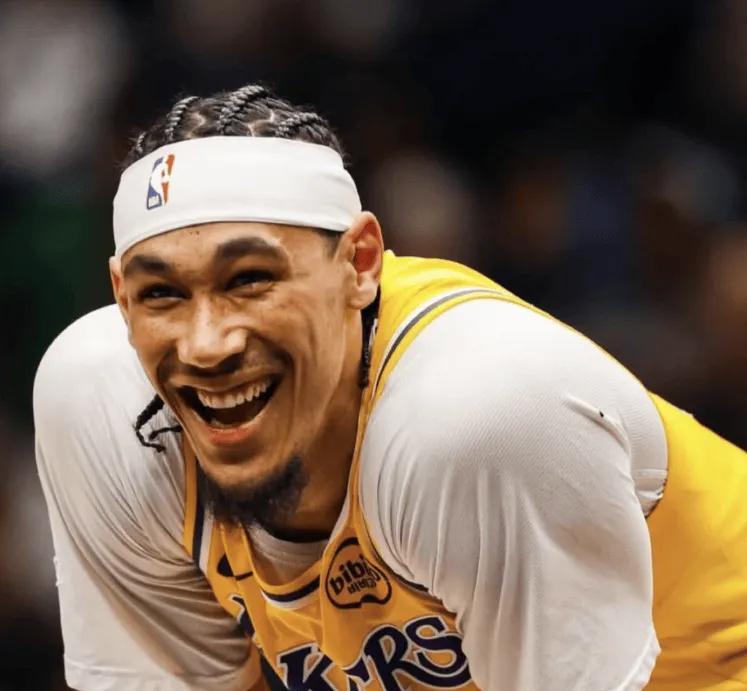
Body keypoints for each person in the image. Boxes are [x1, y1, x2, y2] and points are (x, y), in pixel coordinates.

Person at [34, 84, 747, 691]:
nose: (206, 344)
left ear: (361, 263)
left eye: (249, 279)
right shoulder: (105, 410)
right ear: (120, 297)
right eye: (162, 293)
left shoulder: (477, 416)